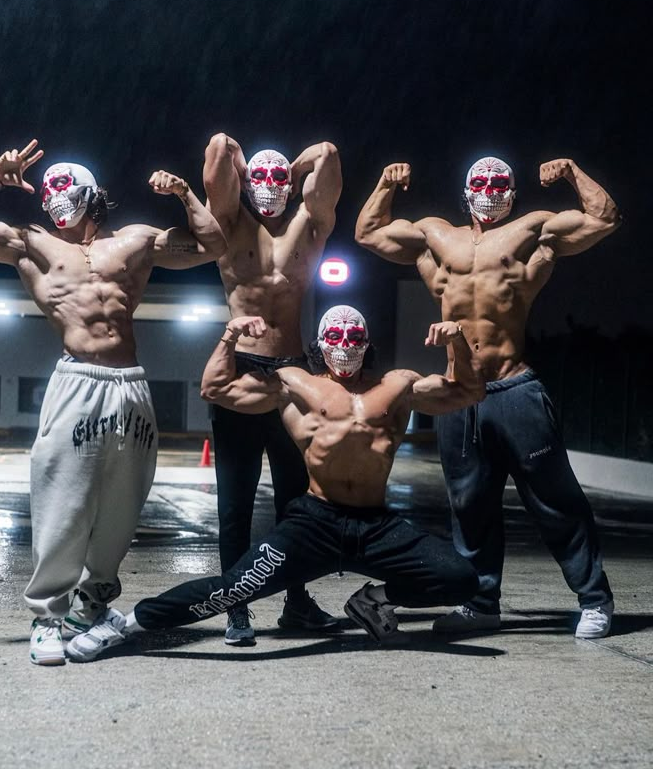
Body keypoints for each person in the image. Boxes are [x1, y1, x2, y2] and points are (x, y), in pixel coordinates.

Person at [0, 139, 227, 665]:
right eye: (46, 191)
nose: (53, 197)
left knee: (122, 503)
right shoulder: (31, 242)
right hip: (76, 379)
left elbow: (213, 247)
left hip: (130, 383)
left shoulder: (135, 241)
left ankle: (93, 602)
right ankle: (47, 615)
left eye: (63, 186)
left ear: (92, 194)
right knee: (62, 497)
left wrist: (185, 193)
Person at [65, 304, 485, 663]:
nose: (345, 344)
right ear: (320, 342)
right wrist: (230, 337)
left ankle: (372, 601)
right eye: (335, 335)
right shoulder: (296, 385)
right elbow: (215, 388)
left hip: (377, 526)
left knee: (461, 578)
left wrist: (458, 343)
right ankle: (122, 625)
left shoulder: (397, 385)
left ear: (367, 341)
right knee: (230, 589)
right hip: (315, 524)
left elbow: (469, 390)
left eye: (354, 335)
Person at [355, 155, 621, 638]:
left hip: (514, 387)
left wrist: (571, 172)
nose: (491, 188)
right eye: (482, 181)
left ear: (514, 192)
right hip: (459, 394)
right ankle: (481, 605)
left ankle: (595, 600)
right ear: (466, 189)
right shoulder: (437, 235)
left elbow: (604, 218)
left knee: (556, 501)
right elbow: (369, 233)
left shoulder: (532, 230)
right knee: (470, 505)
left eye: (501, 182)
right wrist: (385, 182)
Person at [202, 133, 343, 644]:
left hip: (293, 373)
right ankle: (236, 607)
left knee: (298, 504)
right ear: (244, 183)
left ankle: (297, 603)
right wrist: (242, 158)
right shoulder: (231, 223)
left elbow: (326, 153)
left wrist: (290, 165)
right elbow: (218, 149)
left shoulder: (310, 224)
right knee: (235, 504)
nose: (267, 186)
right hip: (241, 369)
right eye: (257, 177)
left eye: (277, 178)